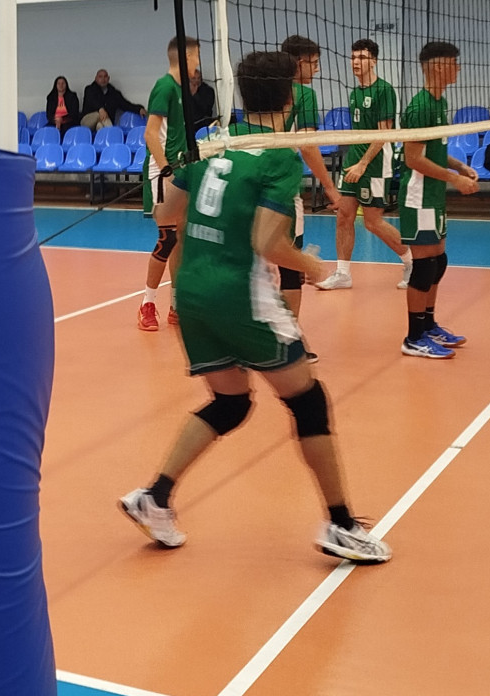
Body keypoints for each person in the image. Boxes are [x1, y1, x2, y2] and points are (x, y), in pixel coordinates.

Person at [118, 50, 392, 564]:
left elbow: (166, 213)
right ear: (291, 96)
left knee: (232, 402)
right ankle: (340, 525)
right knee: (308, 401)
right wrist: (313, 268)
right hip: (239, 295)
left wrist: (196, 184)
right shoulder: (278, 157)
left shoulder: (212, 142)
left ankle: (155, 497)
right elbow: (268, 242)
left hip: (192, 292)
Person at [398, 41, 478, 358]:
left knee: (438, 262)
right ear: (438, 67)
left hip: (433, 195)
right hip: (418, 196)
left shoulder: (438, 102)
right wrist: (454, 180)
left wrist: (458, 166)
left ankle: (429, 326)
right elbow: (413, 159)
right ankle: (413, 337)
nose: (458, 69)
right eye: (454, 63)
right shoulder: (420, 108)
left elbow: (434, 151)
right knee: (423, 267)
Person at [313, 40, 413, 291]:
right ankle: (343, 274)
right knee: (344, 216)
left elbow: (383, 134)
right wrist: (354, 162)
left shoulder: (384, 90)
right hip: (354, 160)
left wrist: (363, 164)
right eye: (353, 57)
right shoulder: (354, 93)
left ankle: (412, 262)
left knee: (372, 222)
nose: (356, 62)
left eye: (362, 57)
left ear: (374, 61)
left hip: (375, 163)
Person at [278, 35, 340, 363]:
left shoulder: (262, 88)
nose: (316, 70)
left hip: (250, 183)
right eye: (313, 63)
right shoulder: (303, 94)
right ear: (298, 62)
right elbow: (308, 145)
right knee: (290, 268)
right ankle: (289, 343)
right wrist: (329, 186)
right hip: (282, 188)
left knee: (256, 264)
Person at [136, 38, 196, 333]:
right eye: (196, 57)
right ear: (186, 57)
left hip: (181, 169)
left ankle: (176, 305)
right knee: (167, 238)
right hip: (164, 171)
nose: (198, 63)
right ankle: (147, 305)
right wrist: (166, 168)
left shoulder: (183, 90)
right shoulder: (165, 87)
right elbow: (150, 134)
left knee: (182, 237)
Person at [80, 68, 147, 131]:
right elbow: (93, 101)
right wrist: (101, 109)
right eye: (100, 77)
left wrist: (139, 109)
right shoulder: (89, 90)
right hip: (87, 121)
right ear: (96, 78)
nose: (103, 79)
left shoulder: (114, 93)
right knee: (100, 115)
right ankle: (111, 132)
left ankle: (108, 135)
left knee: (100, 126)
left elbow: (125, 104)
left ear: (108, 78)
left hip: (102, 122)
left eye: (105, 77)